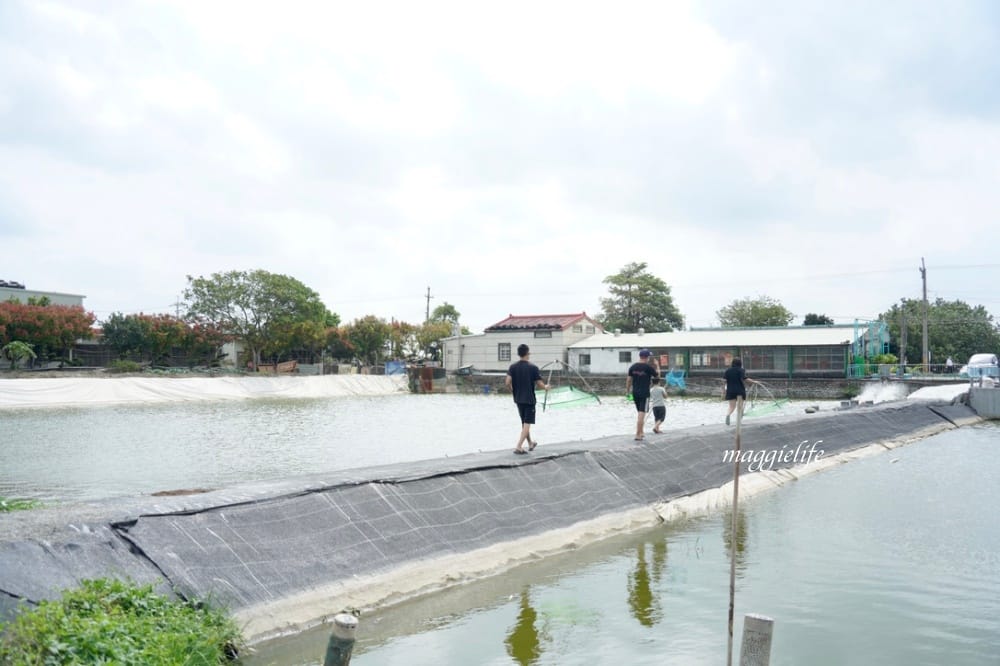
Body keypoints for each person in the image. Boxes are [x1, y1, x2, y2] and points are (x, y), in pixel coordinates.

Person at [505, 344, 549, 455]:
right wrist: (546, 387)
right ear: (527, 353)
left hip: (518, 399)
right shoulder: (533, 368)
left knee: (524, 423)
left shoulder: (512, 367)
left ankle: (530, 443)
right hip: (529, 400)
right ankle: (519, 446)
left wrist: (513, 392)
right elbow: (539, 383)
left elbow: (507, 382)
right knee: (527, 423)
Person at [625, 349, 659, 441]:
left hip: (635, 393)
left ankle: (641, 432)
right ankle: (637, 434)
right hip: (644, 393)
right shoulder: (648, 368)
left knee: (640, 413)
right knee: (641, 414)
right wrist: (657, 366)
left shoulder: (633, 367)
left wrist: (627, 391)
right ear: (647, 357)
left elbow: (628, 380)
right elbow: (657, 376)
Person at [723, 358, 756, 426]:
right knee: (740, 407)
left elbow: (724, 381)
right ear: (740, 363)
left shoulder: (727, 371)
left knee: (732, 406)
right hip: (740, 390)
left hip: (730, 390)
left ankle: (728, 415)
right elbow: (745, 378)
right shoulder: (741, 370)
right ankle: (738, 422)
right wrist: (754, 382)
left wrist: (724, 390)